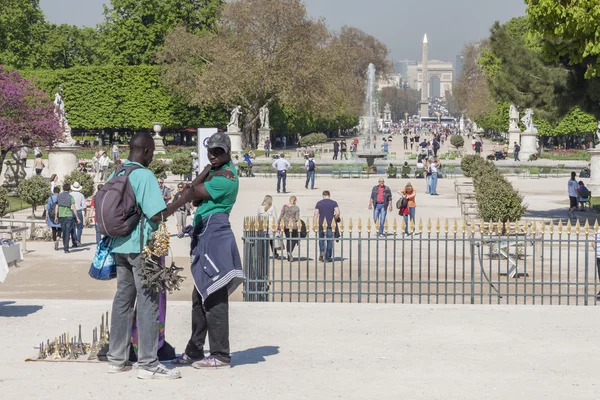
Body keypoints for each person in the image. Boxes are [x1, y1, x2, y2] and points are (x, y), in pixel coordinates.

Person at [107, 132, 190, 379]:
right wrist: (181, 200)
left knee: (122, 300)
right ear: (145, 151)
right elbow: (156, 215)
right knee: (148, 301)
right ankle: (148, 363)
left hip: (119, 245)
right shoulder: (144, 175)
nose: (152, 156)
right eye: (152, 152)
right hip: (143, 248)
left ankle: (116, 359)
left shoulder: (118, 172)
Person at [173, 131, 244, 370]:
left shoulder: (226, 178)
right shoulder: (216, 171)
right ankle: (194, 350)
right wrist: (206, 169)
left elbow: (191, 193)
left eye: (218, 152)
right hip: (207, 234)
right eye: (210, 152)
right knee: (201, 296)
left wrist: (165, 211)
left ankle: (221, 354)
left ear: (228, 153)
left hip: (214, 237)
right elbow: (193, 193)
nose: (213, 156)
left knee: (214, 297)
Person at [314, 191, 340, 262]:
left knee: (321, 238)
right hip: (330, 224)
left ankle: (322, 252)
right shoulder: (334, 203)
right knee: (329, 240)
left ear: (323, 195)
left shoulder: (319, 203)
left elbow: (316, 215)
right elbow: (337, 212)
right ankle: (328, 256)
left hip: (321, 223)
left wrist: (314, 224)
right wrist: (335, 218)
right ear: (329, 195)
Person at [54, 183, 79, 253]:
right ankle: (66, 248)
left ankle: (65, 245)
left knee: (64, 231)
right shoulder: (71, 197)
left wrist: (56, 216)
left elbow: (57, 207)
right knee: (67, 232)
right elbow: (74, 207)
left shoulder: (59, 196)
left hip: (61, 216)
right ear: (69, 189)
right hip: (68, 216)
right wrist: (77, 217)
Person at [278, 196, 300, 261]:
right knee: (294, 239)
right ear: (295, 200)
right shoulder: (296, 208)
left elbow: (281, 215)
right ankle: (290, 252)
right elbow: (297, 218)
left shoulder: (285, 206)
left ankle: (288, 253)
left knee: (288, 239)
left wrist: (278, 223)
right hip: (294, 225)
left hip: (286, 225)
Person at [46, 186, 61, 251]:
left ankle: (55, 241)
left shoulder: (50, 198)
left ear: (53, 191)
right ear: (59, 191)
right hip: (59, 214)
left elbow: (48, 208)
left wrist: (46, 216)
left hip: (52, 215)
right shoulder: (60, 197)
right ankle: (58, 238)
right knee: (60, 228)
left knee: (53, 229)